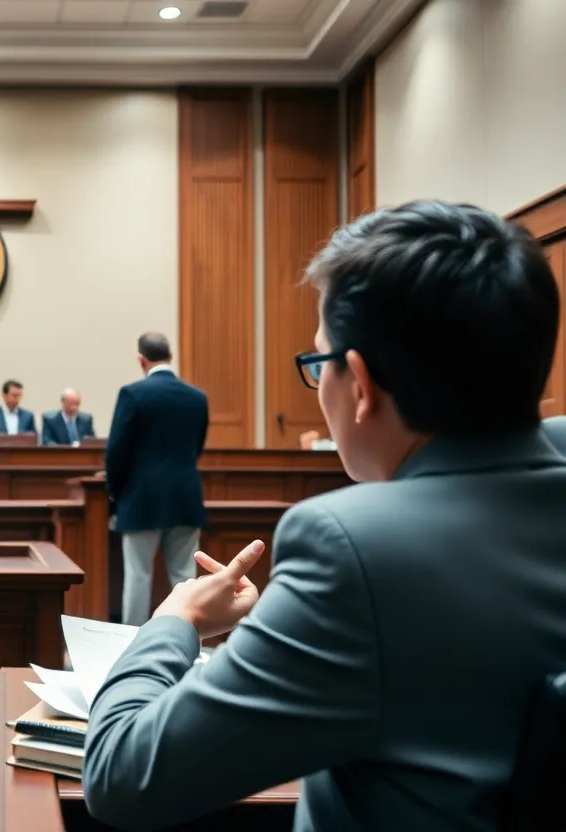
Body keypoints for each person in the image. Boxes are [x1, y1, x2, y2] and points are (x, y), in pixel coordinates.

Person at [84, 201, 566, 832]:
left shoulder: (356, 553)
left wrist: (175, 619)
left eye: (319, 363)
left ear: (360, 384)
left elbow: (122, 775)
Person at [105, 332, 209, 626]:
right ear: (170, 356)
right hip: (185, 496)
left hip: (141, 498)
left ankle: (133, 646)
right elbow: (197, 446)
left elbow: (116, 452)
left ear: (142, 360)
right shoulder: (197, 398)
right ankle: (184, 638)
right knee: (184, 576)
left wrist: (116, 493)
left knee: (138, 575)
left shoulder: (133, 394)